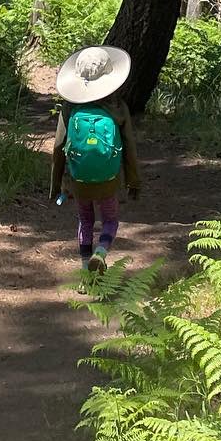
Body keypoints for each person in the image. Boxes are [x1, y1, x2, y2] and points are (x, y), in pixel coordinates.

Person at [50, 45, 141, 274]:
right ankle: (100, 253)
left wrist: (57, 185)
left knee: (86, 219)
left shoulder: (70, 108)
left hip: (79, 179)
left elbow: (59, 147)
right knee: (110, 220)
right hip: (108, 179)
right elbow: (129, 146)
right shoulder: (118, 108)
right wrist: (133, 181)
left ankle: (84, 270)